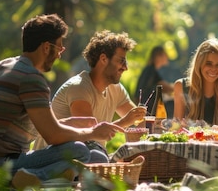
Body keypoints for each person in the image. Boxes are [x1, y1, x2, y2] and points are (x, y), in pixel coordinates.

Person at [0, 14, 124, 189]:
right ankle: (34, 177)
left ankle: (50, 176)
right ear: (47, 47)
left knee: (96, 158)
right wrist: (92, 132)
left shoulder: (0, 68)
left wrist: (69, 123)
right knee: (79, 151)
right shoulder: (30, 77)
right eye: (60, 48)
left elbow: (36, 126)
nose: (60, 55)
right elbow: (52, 135)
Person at [44, 30, 146, 160]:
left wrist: (143, 123)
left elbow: (138, 120)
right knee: (97, 157)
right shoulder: (79, 88)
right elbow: (89, 135)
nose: (125, 67)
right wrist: (125, 121)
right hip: (56, 158)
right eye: (121, 61)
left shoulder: (115, 89)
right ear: (103, 59)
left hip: (87, 155)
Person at [173, 38, 218, 126]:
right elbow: (176, 128)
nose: (213, 69)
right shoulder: (181, 86)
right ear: (199, 63)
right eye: (208, 63)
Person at [136, 45, 174, 115]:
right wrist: (179, 87)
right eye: (165, 54)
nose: (167, 57)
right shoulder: (151, 70)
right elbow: (165, 86)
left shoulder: (150, 69)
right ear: (158, 56)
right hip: (148, 109)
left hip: (145, 107)